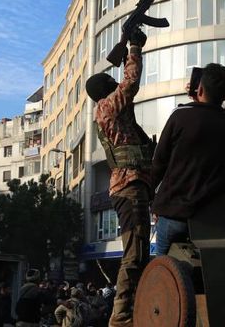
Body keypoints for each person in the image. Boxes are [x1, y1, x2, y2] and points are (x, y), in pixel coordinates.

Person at [86, 27, 154, 327]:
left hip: (129, 184)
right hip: (128, 185)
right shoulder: (107, 107)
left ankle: (129, 308)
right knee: (135, 251)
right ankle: (122, 315)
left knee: (137, 250)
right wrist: (134, 49)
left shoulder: (107, 111)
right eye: (112, 84)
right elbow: (131, 83)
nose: (117, 86)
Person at [151, 63, 225, 255]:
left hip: (174, 212)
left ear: (199, 88)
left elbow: (159, 162)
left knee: (165, 273)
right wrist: (198, 100)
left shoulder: (180, 116)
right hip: (211, 217)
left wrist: (152, 199)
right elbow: (206, 122)